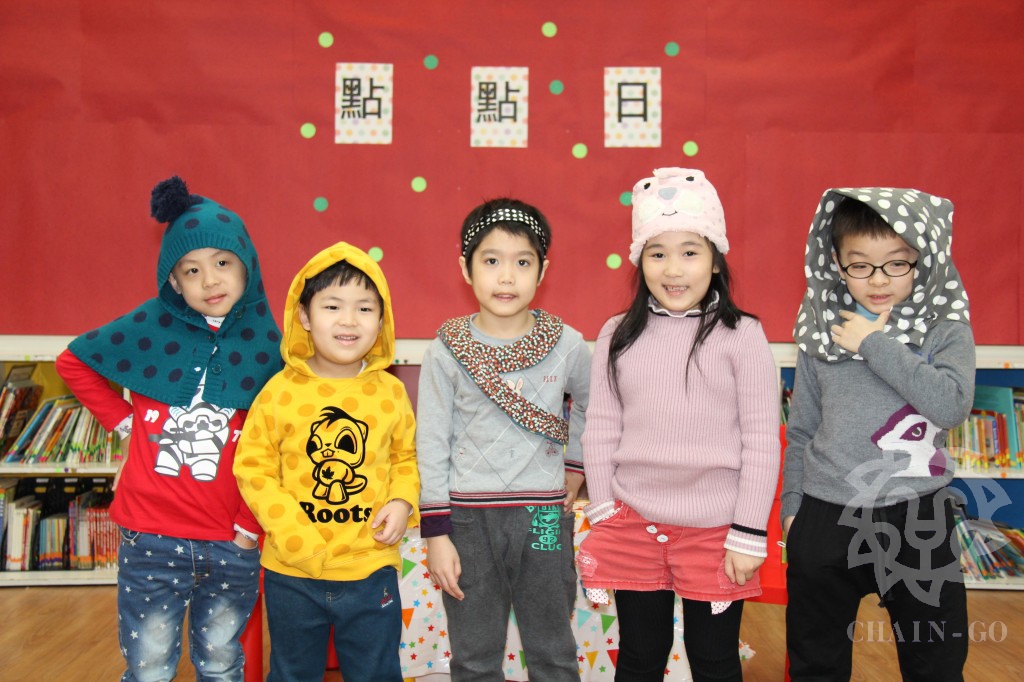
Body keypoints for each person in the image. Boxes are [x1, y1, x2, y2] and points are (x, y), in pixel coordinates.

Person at [56, 176, 282, 681]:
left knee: (222, 664)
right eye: (191, 270)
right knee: (150, 666)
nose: (210, 281)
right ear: (174, 282)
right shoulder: (150, 326)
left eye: (222, 263)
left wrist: (249, 528)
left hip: (230, 540)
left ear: (247, 266)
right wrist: (124, 421)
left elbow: (274, 448)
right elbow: (74, 362)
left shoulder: (271, 348)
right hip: (150, 536)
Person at [576, 167, 780, 682]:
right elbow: (601, 428)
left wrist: (748, 532)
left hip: (717, 531)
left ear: (716, 259)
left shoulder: (743, 335)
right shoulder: (616, 334)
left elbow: (761, 441)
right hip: (633, 523)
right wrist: (604, 510)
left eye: (690, 252)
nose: (673, 269)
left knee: (713, 658)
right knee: (640, 655)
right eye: (657, 253)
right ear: (639, 260)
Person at [781, 188, 974, 680]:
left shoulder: (944, 328)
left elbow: (951, 405)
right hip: (827, 511)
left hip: (918, 515)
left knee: (936, 663)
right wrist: (793, 510)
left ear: (921, 261)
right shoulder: (822, 329)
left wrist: (873, 342)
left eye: (896, 264)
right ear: (838, 265)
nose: (879, 280)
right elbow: (801, 429)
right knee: (816, 663)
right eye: (861, 265)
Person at [416, 198, 591, 681]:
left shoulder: (568, 344)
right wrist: (436, 533)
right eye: (491, 261)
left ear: (543, 271)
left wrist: (576, 468)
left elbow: (595, 404)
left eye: (522, 263)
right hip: (468, 521)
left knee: (553, 651)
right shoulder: (446, 350)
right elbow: (431, 440)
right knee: (473, 657)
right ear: (466, 269)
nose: (507, 277)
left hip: (545, 516)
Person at [233, 242, 419, 682]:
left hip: (370, 568)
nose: (349, 320)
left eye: (364, 308)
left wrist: (402, 501)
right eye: (332, 306)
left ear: (382, 320)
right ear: (304, 315)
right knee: (292, 673)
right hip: (292, 572)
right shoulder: (278, 392)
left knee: (377, 672)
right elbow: (254, 468)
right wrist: (296, 536)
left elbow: (405, 458)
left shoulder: (391, 393)